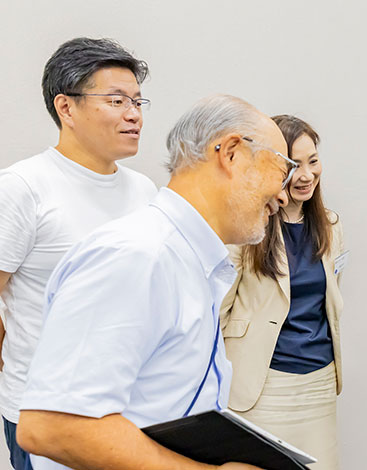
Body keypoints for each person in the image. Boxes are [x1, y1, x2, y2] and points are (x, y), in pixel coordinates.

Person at [16, 94, 292, 470]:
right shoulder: (138, 257)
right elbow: (52, 426)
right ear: (232, 153)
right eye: (281, 171)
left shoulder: (186, 259)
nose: (282, 194)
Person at [0, 37, 157, 470]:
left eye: (138, 101)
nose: (134, 114)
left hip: (129, 406)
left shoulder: (144, 190)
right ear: (66, 108)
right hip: (46, 415)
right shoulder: (22, 187)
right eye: (116, 100)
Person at [221, 115, 345, 470]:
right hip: (261, 385)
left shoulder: (332, 226)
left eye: (313, 161)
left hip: (319, 383)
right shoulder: (243, 227)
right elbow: (218, 309)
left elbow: (329, 300)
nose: (306, 175)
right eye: (294, 165)